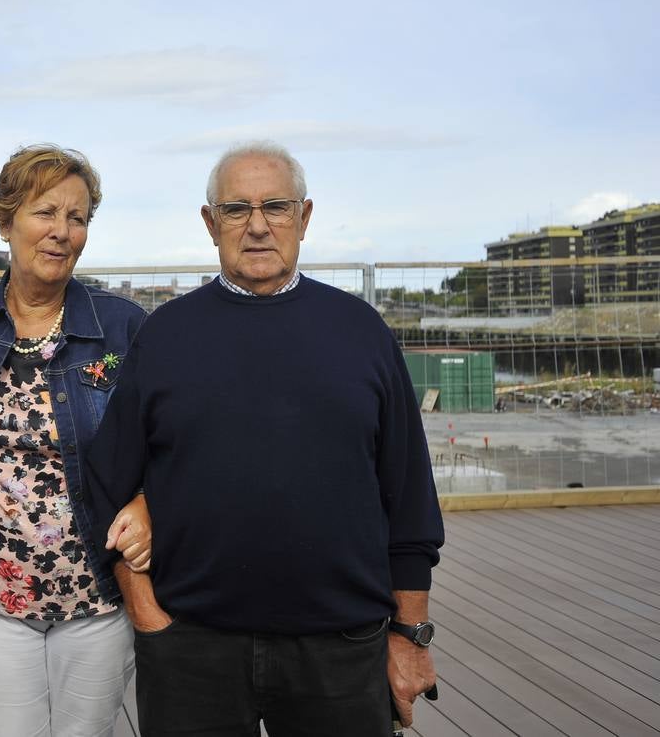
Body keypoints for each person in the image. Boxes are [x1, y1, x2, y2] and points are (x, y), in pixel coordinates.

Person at [83, 141, 444, 736]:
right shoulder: (167, 334)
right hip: (192, 646)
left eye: (275, 207)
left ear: (304, 217)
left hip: (342, 645)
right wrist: (147, 616)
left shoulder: (362, 332)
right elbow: (107, 480)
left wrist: (410, 637)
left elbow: (408, 499)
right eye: (235, 209)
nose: (256, 226)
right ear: (209, 223)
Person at [0, 145, 147, 737]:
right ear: (6, 220)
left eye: (77, 218)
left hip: (98, 594)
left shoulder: (124, 326)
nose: (62, 232)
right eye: (44, 212)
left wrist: (150, 503)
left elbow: (173, 440)